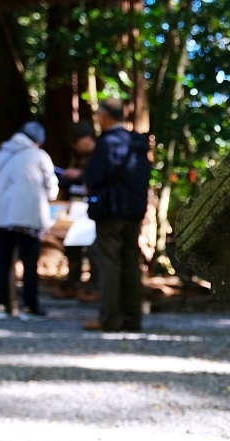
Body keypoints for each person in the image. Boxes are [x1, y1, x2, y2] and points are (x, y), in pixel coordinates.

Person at [82, 98, 151, 332]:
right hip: (134, 211)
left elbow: (94, 177)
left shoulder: (108, 142)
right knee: (131, 263)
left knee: (110, 263)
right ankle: (132, 318)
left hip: (110, 210)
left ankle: (110, 318)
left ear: (103, 116)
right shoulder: (137, 142)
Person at [0, 122, 58, 320]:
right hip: (27, 216)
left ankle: (2, 305)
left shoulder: (2, 154)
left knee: (2, 260)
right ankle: (29, 306)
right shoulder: (39, 156)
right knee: (29, 261)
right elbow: (52, 189)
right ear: (37, 141)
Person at [55, 121, 100, 302]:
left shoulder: (101, 154)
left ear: (87, 138)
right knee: (72, 246)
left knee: (94, 249)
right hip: (77, 206)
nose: (74, 146)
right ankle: (73, 284)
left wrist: (80, 175)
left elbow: (101, 178)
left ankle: (96, 287)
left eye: (76, 142)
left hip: (94, 207)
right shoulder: (79, 158)